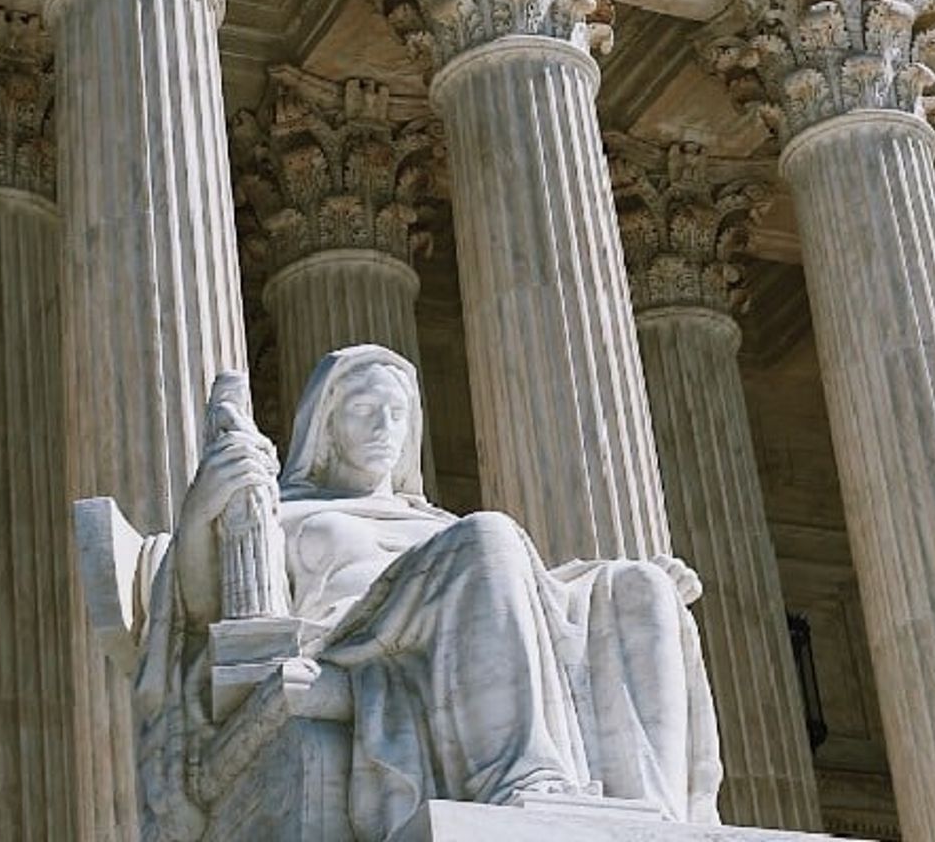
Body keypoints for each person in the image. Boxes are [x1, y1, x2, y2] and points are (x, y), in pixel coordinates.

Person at [139, 345, 722, 841]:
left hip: (444, 642)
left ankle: (653, 819)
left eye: (396, 413)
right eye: (363, 411)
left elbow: (523, 598)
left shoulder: (439, 524)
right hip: (352, 641)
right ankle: (517, 780)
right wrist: (203, 513)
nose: (382, 429)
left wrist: (594, 586)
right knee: (488, 534)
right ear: (325, 424)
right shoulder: (286, 511)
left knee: (638, 586)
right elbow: (204, 613)